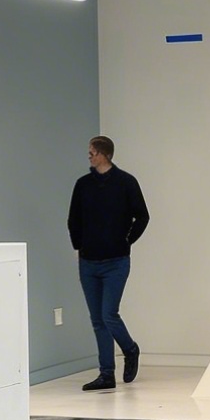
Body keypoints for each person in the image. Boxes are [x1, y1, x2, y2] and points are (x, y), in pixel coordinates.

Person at [67, 134, 149, 392]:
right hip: (88, 262)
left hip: (116, 261)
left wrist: (126, 241)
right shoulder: (83, 185)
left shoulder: (126, 183)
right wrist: (79, 246)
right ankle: (106, 374)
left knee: (108, 314)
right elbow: (73, 219)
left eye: (92, 153)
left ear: (104, 155)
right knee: (97, 320)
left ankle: (130, 349)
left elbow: (142, 216)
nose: (89, 157)